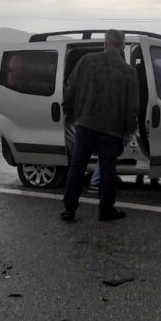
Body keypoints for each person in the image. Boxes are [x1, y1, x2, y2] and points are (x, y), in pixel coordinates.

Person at [61, 29, 139, 221]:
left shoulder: (87, 61)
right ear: (122, 45)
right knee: (107, 169)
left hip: (86, 123)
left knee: (78, 166)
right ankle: (106, 209)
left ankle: (69, 209)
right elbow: (132, 106)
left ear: (105, 42)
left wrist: (69, 113)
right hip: (112, 129)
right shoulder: (128, 72)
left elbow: (70, 88)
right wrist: (129, 130)